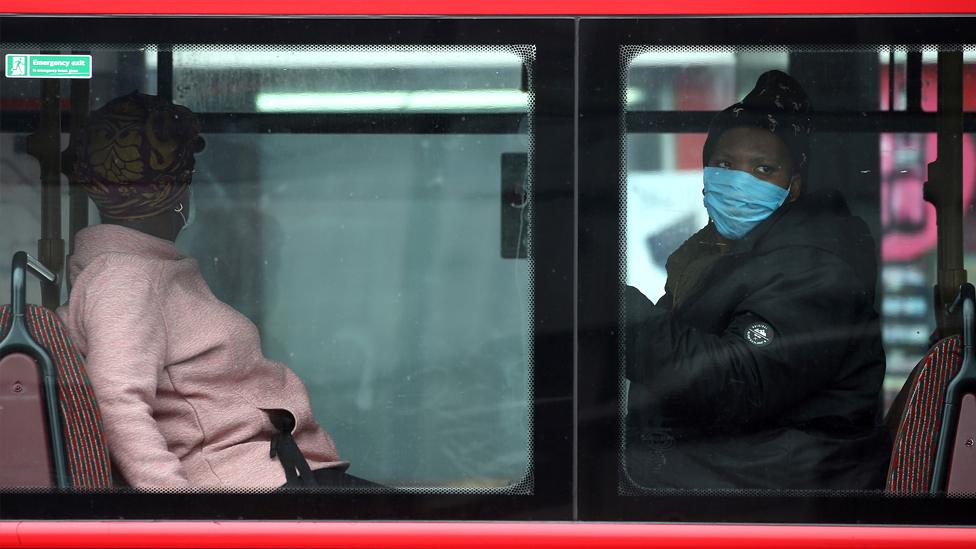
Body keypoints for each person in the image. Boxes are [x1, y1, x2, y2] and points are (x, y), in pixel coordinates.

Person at [58, 92, 373, 490]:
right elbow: (117, 401)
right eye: (187, 176)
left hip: (275, 474)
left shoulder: (141, 272)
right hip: (248, 484)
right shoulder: (126, 279)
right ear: (175, 194)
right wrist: (179, 516)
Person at [624, 71, 890, 490]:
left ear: (794, 187)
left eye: (763, 169)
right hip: (752, 464)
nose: (739, 181)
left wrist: (618, 313)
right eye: (726, 165)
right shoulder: (720, 253)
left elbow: (738, 382)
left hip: (790, 486)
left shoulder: (813, 265)